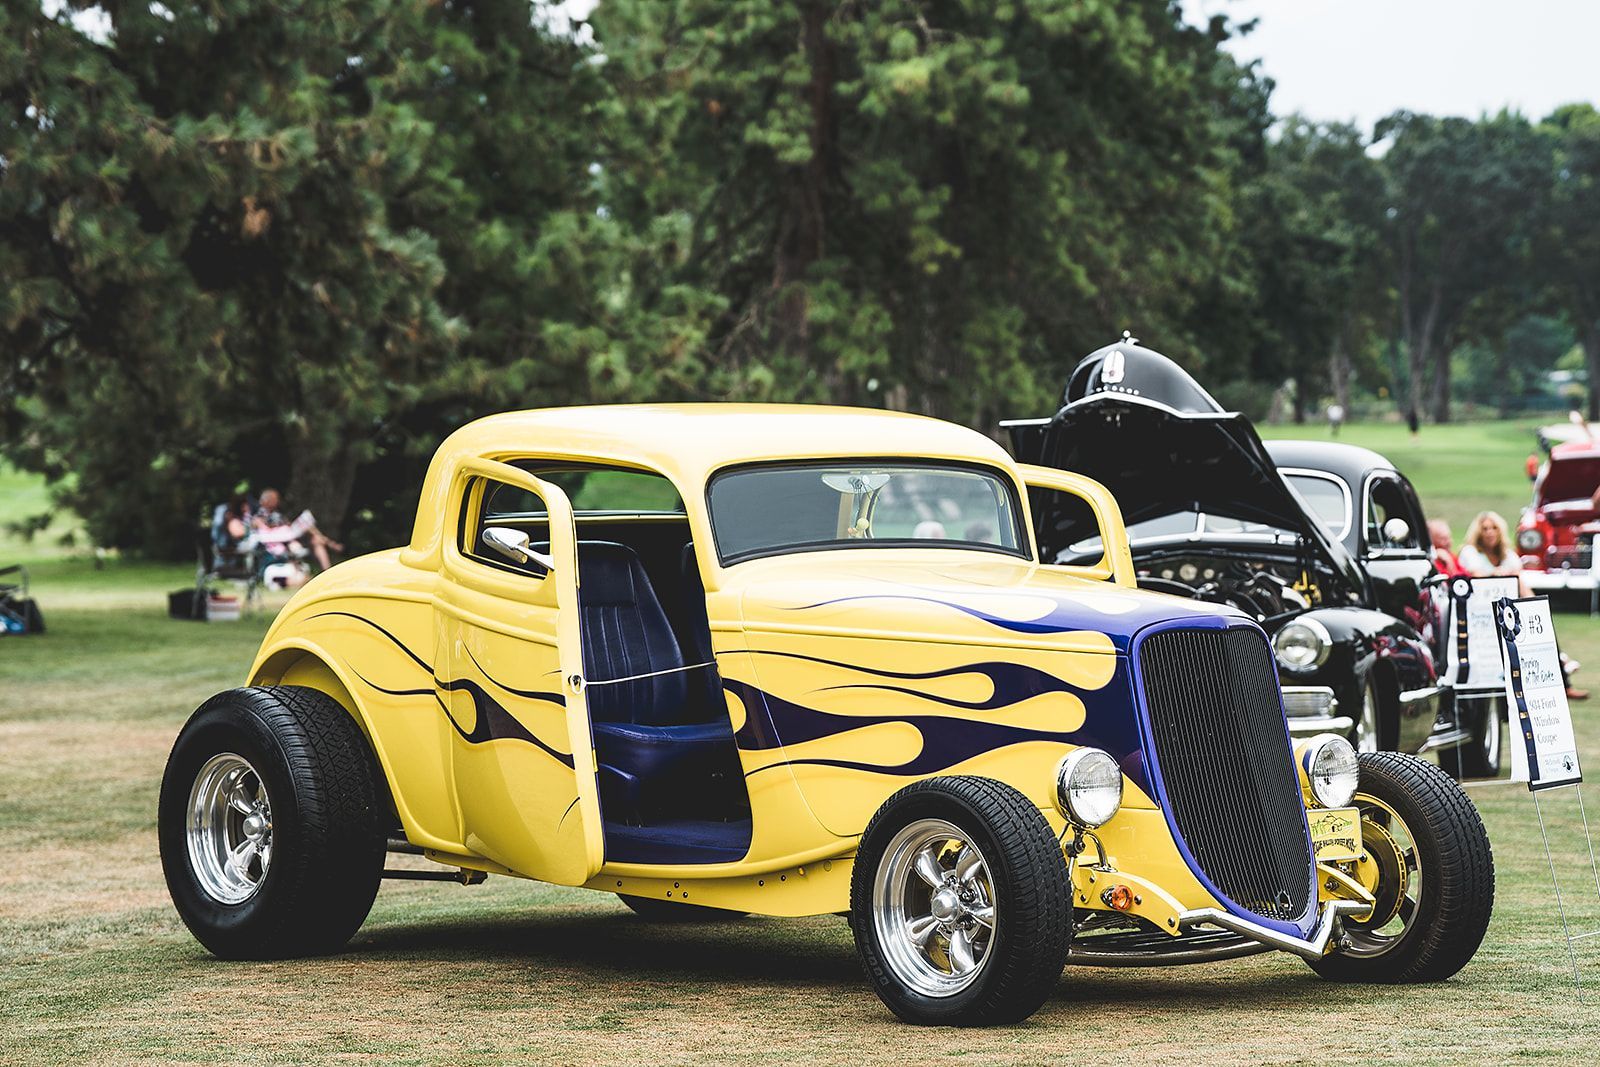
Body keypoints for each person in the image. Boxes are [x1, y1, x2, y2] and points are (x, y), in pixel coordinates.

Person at [253, 487, 344, 571]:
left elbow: (287, 524)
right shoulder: (260, 515)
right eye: (275, 499)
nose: (277, 501)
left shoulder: (278, 513)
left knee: (315, 539)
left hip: (290, 536)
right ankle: (330, 544)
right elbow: (264, 530)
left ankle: (327, 571)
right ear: (267, 500)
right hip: (280, 542)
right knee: (309, 529)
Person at [1457, 511, 1523, 584]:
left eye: (1494, 528)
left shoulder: (1507, 552)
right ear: (1478, 533)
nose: (1490, 532)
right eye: (1485, 529)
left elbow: (1517, 569)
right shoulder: (1469, 551)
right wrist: (1493, 575)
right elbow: (1476, 577)